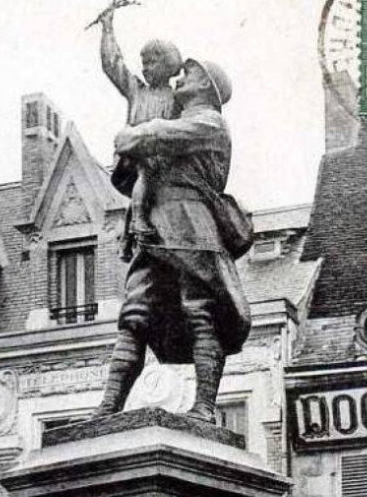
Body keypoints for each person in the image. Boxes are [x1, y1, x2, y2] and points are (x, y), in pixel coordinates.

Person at [95, 57, 251, 424]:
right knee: (135, 314)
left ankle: (205, 408)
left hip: (190, 224)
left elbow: (148, 136)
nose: (180, 76)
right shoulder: (182, 121)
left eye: (190, 73)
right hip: (154, 228)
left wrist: (135, 135)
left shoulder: (210, 122)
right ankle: (108, 407)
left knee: (200, 310)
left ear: (206, 87)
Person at [99, 7, 182, 253]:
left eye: (152, 62)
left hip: (162, 160)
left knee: (150, 180)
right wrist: (107, 29)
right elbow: (113, 64)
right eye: (143, 63)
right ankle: (137, 222)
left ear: (168, 64)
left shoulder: (177, 98)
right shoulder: (137, 90)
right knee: (145, 171)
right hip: (132, 156)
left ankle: (127, 240)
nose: (145, 68)